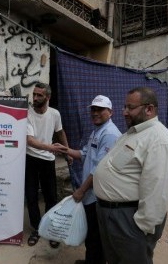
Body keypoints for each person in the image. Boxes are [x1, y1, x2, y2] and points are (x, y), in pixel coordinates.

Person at [93, 87, 168, 264]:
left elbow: (158, 190)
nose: (125, 112)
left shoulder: (160, 140)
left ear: (149, 109)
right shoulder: (133, 133)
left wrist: (141, 227)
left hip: (128, 220)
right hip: (111, 214)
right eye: (125, 107)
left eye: (130, 107)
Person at [65, 95, 121, 264]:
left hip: (98, 196)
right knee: (92, 234)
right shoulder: (98, 130)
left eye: (100, 109)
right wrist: (65, 150)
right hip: (91, 194)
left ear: (110, 112)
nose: (95, 113)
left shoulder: (110, 133)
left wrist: (81, 190)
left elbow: (99, 169)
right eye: (93, 109)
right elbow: (84, 154)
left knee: (96, 237)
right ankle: (91, 260)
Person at [25, 82, 70, 248]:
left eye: (39, 95)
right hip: (30, 159)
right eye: (34, 94)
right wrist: (51, 147)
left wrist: (67, 152)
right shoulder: (27, 114)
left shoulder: (54, 114)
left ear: (48, 97)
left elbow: (60, 132)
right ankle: (36, 228)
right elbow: (29, 140)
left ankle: (49, 229)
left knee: (51, 196)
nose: (35, 98)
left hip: (48, 161)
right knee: (31, 196)